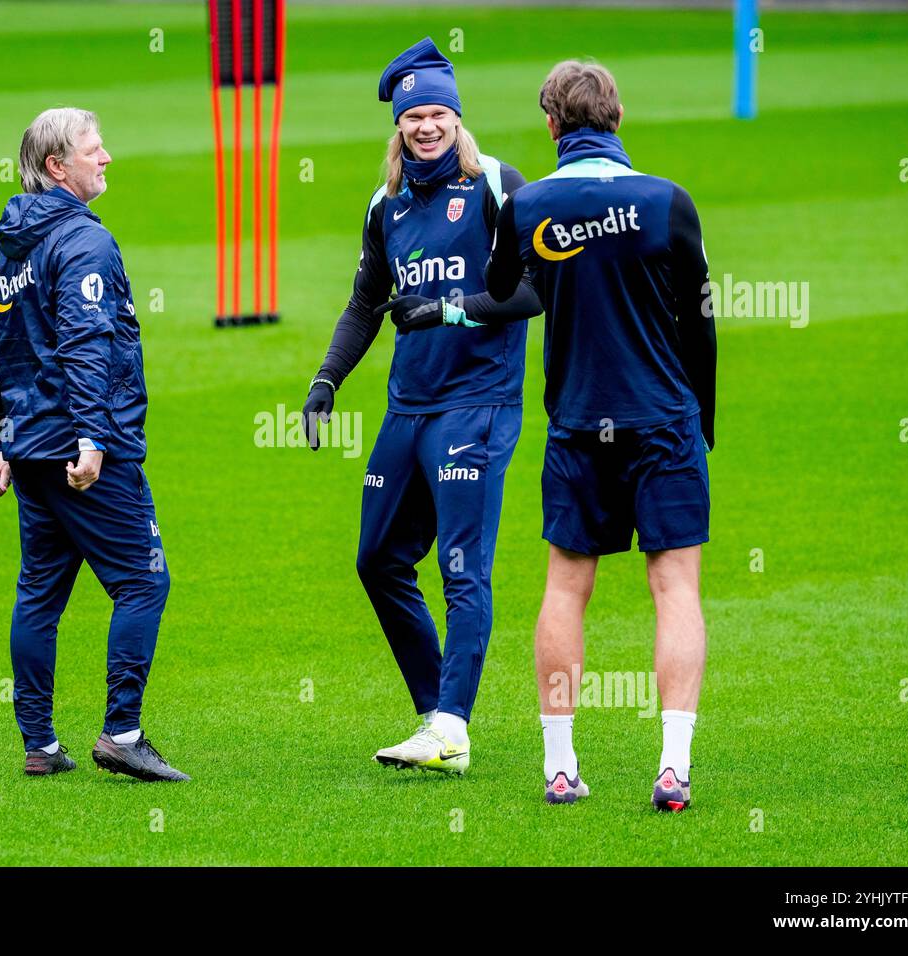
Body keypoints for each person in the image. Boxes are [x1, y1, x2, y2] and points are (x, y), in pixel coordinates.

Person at [302, 38, 541, 776]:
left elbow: (535, 289)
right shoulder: (387, 205)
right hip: (408, 408)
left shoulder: (500, 184)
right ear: (399, 126)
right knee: (377, 560)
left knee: (462, 566)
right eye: (414, 117)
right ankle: (436, 710)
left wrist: (449, 309)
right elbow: (366, 303)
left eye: (438, 114)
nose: (426, 127)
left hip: (479, 403)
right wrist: (326, 381)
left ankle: (450, 728)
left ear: (457, 118)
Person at [483, 60, 716, 810]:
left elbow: (497, 290)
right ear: (618, 118)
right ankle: (673, 767)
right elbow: (701, 319)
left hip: (579, 422)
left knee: (565, 587)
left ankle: (560, 766)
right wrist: (703, 415)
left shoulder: (529, 205)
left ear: (552, 124)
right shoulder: (668, 200)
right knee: (673, 586)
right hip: (663, 420)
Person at [0, 107, 187, 782]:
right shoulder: (83, 243)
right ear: (56, 167)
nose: (107, 159)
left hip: (33, 447)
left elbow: (1, 351)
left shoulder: (15, 245)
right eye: (94, 151)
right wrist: (94, 437)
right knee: (143, 583)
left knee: (40, 592)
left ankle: (39, 744)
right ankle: (122, 732)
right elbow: (84, 343)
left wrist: (3, 442)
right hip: (84, 450)